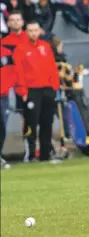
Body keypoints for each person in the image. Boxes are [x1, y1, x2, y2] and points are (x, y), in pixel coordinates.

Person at [13, 21, 60, 162]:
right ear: (26, 32)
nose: (33, 33)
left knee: (47, 123)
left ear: (40, 31)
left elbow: (52, 66)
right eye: (30, 30)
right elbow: (18, 71)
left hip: (47, 89)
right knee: (31, 123)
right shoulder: (20, 49)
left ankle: (45, 155)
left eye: (35, 30)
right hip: (31, 90)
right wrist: (22, 90)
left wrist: (55, 86)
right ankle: (31, 154)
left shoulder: (45, 47)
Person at [0, 44, 27, 168]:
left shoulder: (6, 52)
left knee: (2, 128)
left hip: (3, 96)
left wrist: (18, 88)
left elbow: (13, 72)